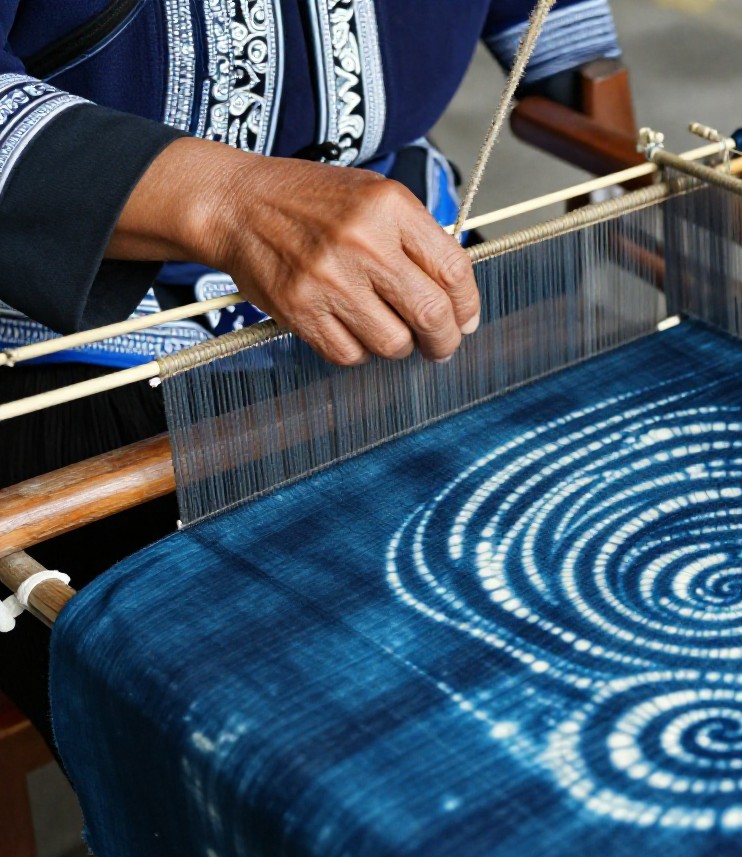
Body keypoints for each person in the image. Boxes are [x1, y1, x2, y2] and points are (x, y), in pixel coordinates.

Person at [0, 0, 623, 744]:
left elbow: (553, 30)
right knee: (332, 742)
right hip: (76, 363)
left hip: (414, 290)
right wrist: (227, 200)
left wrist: (622, 164)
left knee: (605, 600)